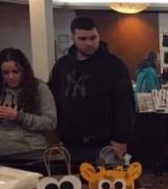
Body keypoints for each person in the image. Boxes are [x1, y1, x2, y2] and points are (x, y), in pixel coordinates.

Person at [49, 16, 135, 163]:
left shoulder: (114, 66)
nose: (89, 43)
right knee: (74, 184)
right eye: (82, 39)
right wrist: (55, 133)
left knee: (106, 183)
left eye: (93, 37)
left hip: (105, 143)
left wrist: (121, 139)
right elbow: (54, 99)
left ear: (98, 35)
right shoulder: (62, 66)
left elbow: (125, 105)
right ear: (73, 38)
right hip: (69, 141)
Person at [0, 47, 57, 158]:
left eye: (16, 71)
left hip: (33, 151)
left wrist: (18, 116)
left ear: (24, 70)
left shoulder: (39, 88)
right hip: (2, 153)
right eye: (5, 73)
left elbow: (51, 123)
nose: (11, 76)